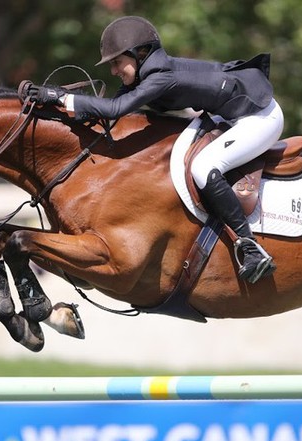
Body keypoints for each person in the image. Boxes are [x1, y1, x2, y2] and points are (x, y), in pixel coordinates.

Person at [22, 16, 282, 283]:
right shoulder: (148, 73)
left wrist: (61, 97)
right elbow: (113, 113)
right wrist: (56, 107)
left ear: (139, 53)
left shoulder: (161, 79)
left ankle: (250, 247)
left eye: (116, 62)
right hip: (226, 115)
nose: (113, 71)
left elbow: (116, 109)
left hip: (260, 118)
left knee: (204, 168)